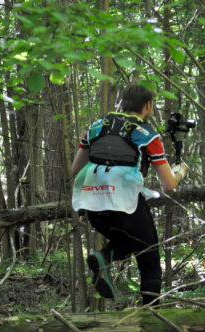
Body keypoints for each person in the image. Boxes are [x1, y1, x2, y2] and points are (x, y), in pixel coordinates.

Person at [71, 83, 188, 305]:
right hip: (124, 205)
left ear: (123, 103)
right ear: (147, 105)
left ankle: (103, 257)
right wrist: (181, 170)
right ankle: (150, 312)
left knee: (127, 241)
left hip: (92, 205)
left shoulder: (96, 127)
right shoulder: (147, 135)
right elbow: (169, 184)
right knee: (149, 254)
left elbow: (76, 168)